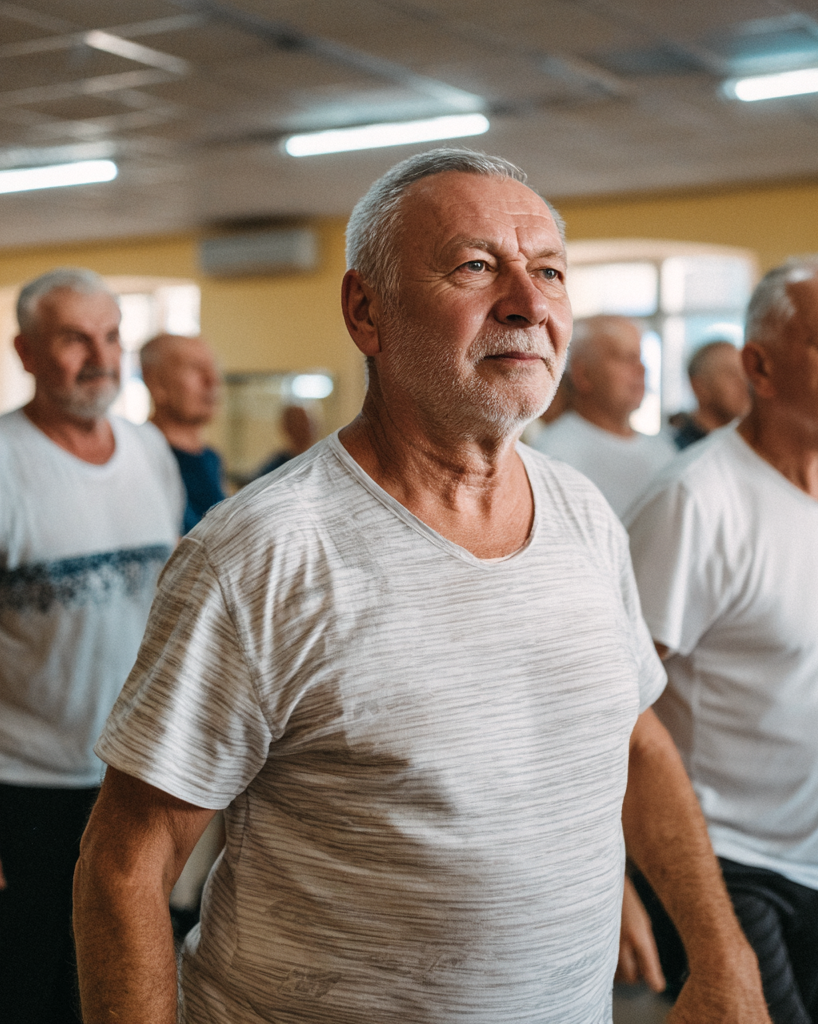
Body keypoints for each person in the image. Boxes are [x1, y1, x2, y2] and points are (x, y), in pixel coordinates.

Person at [73, 150, 770, 1024]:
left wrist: (721, 951)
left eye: (547, 269)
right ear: (368, 312)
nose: (527, 301)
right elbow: (125, 864)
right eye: (477, 266)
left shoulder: (586, 515)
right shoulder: (262, 553)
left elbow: (635, 745)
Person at [625, 255, 818, 1024]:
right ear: (759, 366)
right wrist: (616, 881)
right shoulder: (695, 503)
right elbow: (606, 702)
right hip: (723, 864)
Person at [0, 268, 183, 1024]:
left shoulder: (149, 454)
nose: (99, 357)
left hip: (137, 783)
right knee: (27, 990)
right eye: (74, 338)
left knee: (119, 992)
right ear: (27, 352)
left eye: (111, 336)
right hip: (21, 789)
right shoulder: (2, 464)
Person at [532, 314, 675, 518]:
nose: (641, 369)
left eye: (640, 357)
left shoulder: (663, 448)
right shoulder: (553, 454)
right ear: (582, 374)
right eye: (625, 358)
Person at [141, 332, 225, 532]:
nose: (212, 380)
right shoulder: (139, 458)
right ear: (156, 382)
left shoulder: (211, 458)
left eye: (214, 368)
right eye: (195, 368)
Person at [670, 338, 752, 449]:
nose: (743, 383)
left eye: (744, 374)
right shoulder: (672, 451)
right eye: (730, 374)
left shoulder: (749, 448)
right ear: (698, 386)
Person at [255, 404, 318, 478]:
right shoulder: (276, 466)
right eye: (298, 423)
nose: (306, 429)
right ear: (286, 428)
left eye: (308, 423)